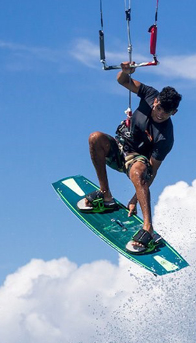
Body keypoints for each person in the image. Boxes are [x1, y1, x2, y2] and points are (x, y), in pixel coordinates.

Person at [77, 62, 181, 254]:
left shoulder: (166, 138)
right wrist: (125, 71)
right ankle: (105, 194)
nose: (159, 114)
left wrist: (134, 199)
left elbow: (152, 172)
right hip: (120, 147)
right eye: (158, 108)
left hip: (137, 160)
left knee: (139, 170)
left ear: (173, 112)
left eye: (165, 113)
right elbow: (123, 81)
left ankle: (148, 227)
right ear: (156, 100)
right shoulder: (150, 94)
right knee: (95, 138)